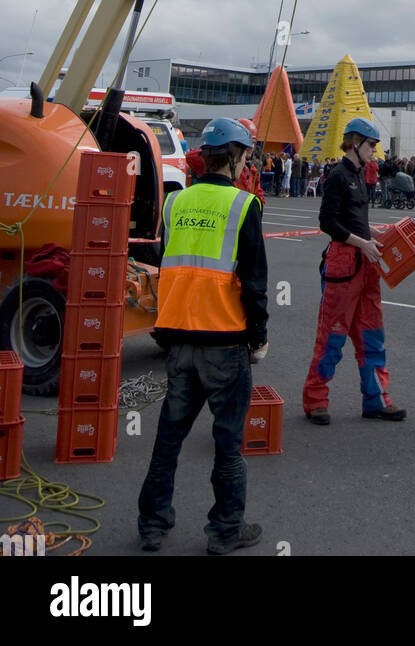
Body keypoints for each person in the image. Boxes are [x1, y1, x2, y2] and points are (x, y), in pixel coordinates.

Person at [137, 118, 268, 555]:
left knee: (168, 438)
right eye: (246, 155)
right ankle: (225, 531)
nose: (248, 162)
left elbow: (171, 264)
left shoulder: (175, 203)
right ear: (233, 157)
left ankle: (152, 526)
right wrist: (259, 336)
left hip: (178, 340)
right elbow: (254, 283)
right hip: (224, 342)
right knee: (228, 444)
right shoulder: (243, 206)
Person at [302, 117, 406, 425]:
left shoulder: (360, 173)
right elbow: (327, 222)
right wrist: (362, 241)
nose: (375, 151)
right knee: (332, 336)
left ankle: (376, 400)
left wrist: (369, 237)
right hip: (344, 264)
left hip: (364, 261)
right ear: (356, 142)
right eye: (372, 146)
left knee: (372, 335)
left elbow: (353, 218)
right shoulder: (338, 175)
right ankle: (315, 400)